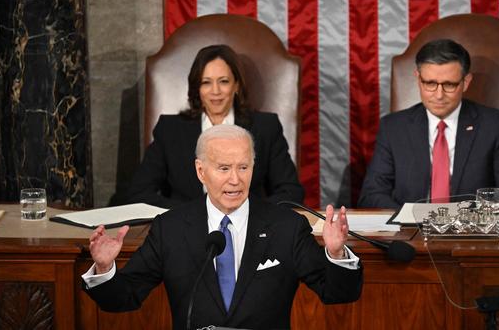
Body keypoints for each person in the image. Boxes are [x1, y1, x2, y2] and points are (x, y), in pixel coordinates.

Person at [82, 125, 362, 329]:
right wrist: (105, 268)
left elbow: (338, 293)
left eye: (243, 167)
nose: (235, 180)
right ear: (201, 171)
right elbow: (123, 299)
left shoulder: (286, 226)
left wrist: (336, 254)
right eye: (224, 168)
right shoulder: (171, 228)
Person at [126, 44, 304, 209]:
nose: (215, 91)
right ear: (197, 88)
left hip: (249, 229)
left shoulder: (265, 127)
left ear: (236, 85)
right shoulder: (170, 129)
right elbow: (139, 194)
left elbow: (291, 192)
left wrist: (248, 214)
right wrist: (192, 215)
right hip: (185, 230)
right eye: (206, 82)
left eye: (224, 81)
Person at [358, 38, 499, 210]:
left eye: (449, 85)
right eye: (430, 83)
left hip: (471, 233)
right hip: (410, 232)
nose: (439, 95)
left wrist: (468, 222)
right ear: (418, 79)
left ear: (466, 82)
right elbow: (372, 196)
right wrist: (410, 218)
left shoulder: (495, 126)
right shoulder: (393, 128)